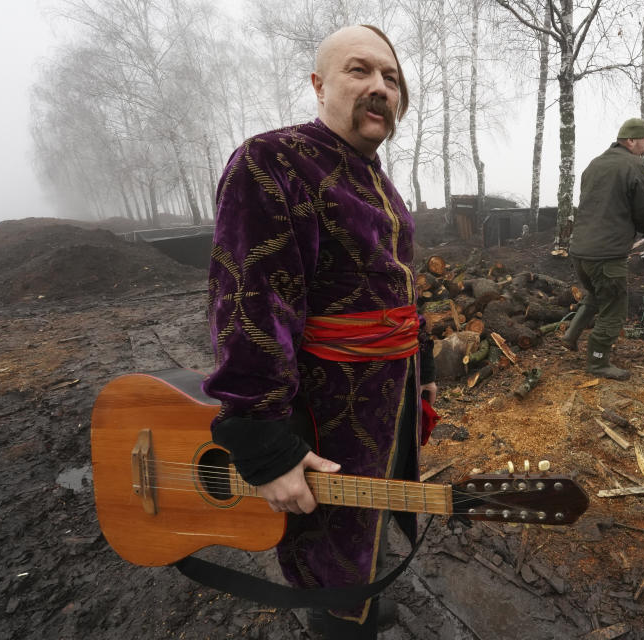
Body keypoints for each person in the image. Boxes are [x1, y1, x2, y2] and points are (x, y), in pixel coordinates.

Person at [201, 25, 436, 639]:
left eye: (391, 78)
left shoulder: (374, 177)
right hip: (326, 413)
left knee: (371, 522)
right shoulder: (272, 160)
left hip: (388, 400)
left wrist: (423, 380)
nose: (380, 88)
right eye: (360, 71)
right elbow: (251, 302)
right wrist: (265, 442)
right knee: (329, 550)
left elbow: (397, 290)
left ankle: (358, 604)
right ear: (318, 84)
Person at [562, 117, 644, 380]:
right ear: (630, 140)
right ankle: (597, 361)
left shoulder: (595, 164)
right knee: (614, 307)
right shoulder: (635, 166)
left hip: (580, 250)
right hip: (606, 254)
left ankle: (570, 335)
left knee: (594, 295)